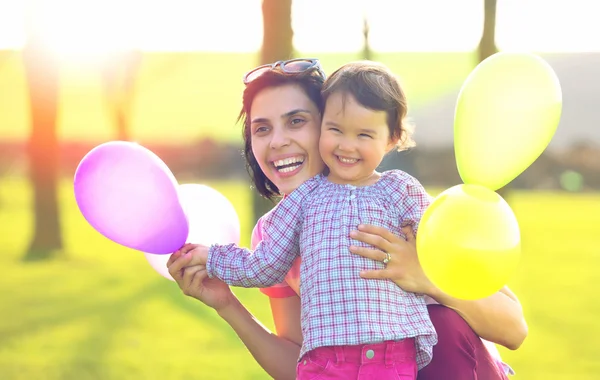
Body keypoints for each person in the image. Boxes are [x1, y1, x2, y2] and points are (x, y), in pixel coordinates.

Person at [167, 58, 527, 380]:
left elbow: (514, 329)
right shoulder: (273, 234)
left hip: (461, 367)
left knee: (441, 324)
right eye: (262, 129)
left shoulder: (399, 203)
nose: (277, 141)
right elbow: (305, 364)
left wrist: (426, 277)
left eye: (296, 121)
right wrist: (228, 304)